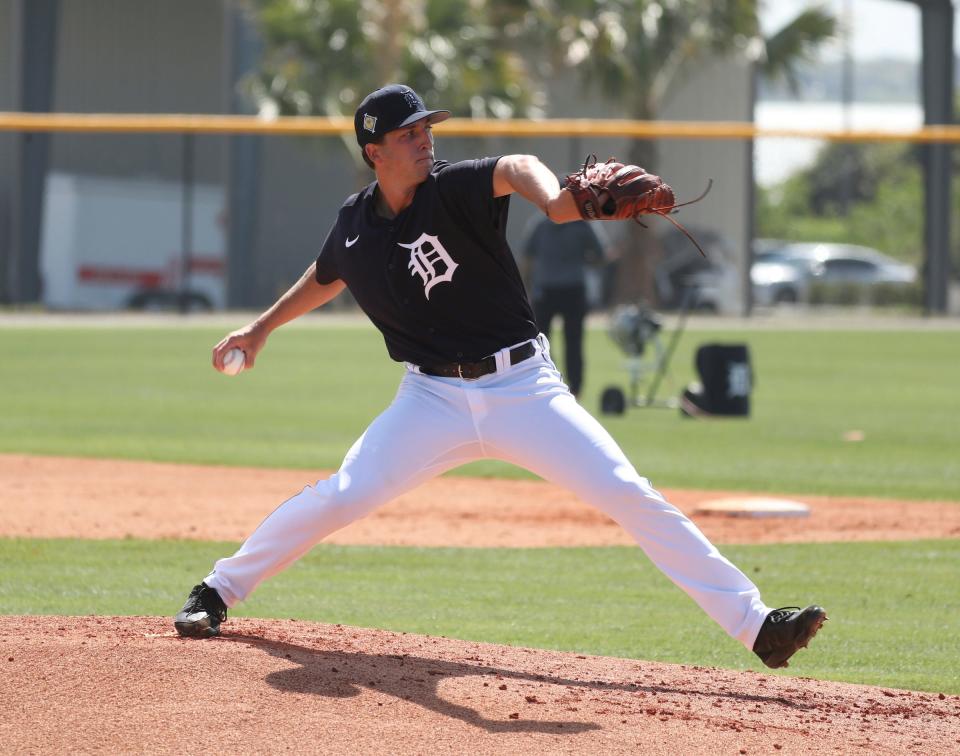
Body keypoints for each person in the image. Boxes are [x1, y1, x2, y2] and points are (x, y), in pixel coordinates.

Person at [174, 84, 827, 670]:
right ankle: (217, 590)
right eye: (409, 134)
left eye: (428, 128)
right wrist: (259, 329)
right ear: (375, 152)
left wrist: (554, 199)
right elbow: (325, 276)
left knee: (628, 492)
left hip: (523, 389)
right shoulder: (354, 226)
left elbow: (515, 167)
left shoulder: (454, 188)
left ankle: (756, 625)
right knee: (345, 493)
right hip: (428, 398)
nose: (426, 141)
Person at [522, 216, 604, 397]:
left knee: (541, 342)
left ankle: (544, 382)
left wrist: (526, 289)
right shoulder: (582, 226)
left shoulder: (540, 224)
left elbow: (527, 257)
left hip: (545, 288)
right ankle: (575, 387)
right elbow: (600, 255)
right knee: (573, 341)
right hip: (573, 287)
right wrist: (582, 258)